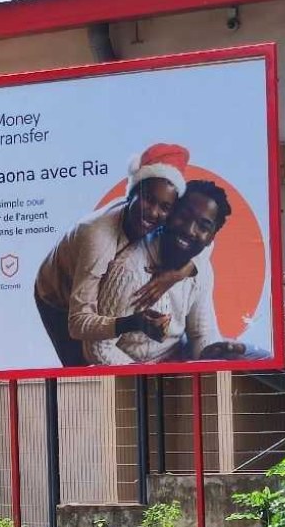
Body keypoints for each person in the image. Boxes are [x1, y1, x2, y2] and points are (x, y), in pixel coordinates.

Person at [34, 143, 196, 366]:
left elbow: (202, 243)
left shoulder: (162, 222)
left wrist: (177, 274)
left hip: (97, 284)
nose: (153, 212)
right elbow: (77, 323)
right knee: (83, 370)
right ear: (132, 195)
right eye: (148, 199)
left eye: (164, 207)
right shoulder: (98, 237)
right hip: (58, 297)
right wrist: (131, 323)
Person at [85, 180, 250, 365]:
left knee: (249, 357)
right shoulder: (129, 270)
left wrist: (209, 352)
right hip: (134, 370)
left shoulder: (200, 267)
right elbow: (98, 347)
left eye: (203, 227)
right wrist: (145, 376)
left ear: (211, 238)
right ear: (169, 214)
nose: (189, 230)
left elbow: (201, 333)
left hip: (173, 363)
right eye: (184, 216)